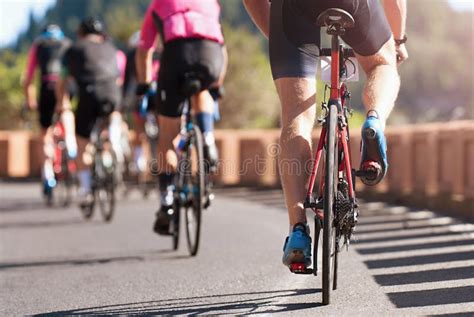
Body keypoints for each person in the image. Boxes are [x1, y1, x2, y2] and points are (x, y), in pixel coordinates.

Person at [243, 0, 408, 268]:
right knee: (382, 63)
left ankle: (297, 229)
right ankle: (375, 120)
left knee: (296, 116)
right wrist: (398, 41)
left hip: (292, 9)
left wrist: (281, 39)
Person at [135, 0, 227, 235]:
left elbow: (145, 48)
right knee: (203, 91)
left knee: (168, 135)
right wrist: (217, 85)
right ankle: (207, 137)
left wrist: (144, 86)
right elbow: (222, 47)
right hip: (210, 54)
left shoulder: (159, 3)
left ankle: (166, 203)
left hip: (176, 55)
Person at [56, 17, 123, 206]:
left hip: (89, 94)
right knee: (110, 119)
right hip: (112, 94)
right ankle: (112, 146)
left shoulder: (74, 50)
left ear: (80, 34)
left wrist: (62, 103)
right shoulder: (111, 48)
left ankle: (86, 189)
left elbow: (62, 81)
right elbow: (117, 78)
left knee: (83, 143)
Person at [23, 24, 73, 198]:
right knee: (66, 110)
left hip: (46, 87)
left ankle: (48, 175)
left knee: (45, 135)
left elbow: (28, 76)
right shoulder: (67, 43)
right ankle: (71, 141)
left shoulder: (38, 46)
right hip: (66, 87)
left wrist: (29, 100)